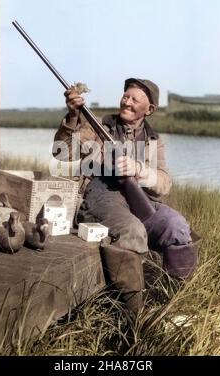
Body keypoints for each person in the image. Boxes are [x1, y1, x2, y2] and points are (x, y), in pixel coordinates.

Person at [53, 78, 198, 314]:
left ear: (149, 110)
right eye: (125, 96)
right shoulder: (99, 127)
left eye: (134, 99)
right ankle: (132, 318)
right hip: (102, 194)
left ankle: (174, 306)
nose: (126, 102)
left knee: (177, 227)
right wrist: (72, 117)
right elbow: (62, 154)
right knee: (132, 231)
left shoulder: (154, 141)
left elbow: (164, 183)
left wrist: (138, 169)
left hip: (141, 199)